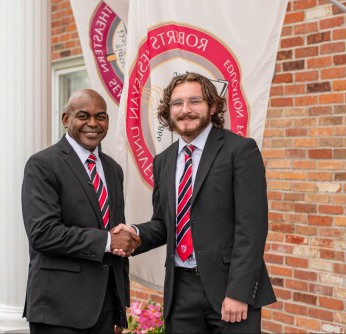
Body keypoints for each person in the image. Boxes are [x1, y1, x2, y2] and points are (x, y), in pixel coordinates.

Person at [113, 72, 276, 333]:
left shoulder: (240, 151)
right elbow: (165, 223)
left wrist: (239, 292)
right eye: (177, 103)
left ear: (212, 106)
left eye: (194, 101)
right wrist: (136, 233)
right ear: (169, 111)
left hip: (229, 289)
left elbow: (252, 228)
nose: (185, 110)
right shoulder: (163, 161)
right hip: (180, 291)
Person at [22, 89, 140, 334]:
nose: (93, 124)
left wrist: (120, 306)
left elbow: (118, 238)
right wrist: (107, 240)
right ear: (66, 119)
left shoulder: (113, 169)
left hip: (104, 309)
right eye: (83, 116)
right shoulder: (43, 164)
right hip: (58, 310)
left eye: (101, 117)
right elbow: (43, 233)